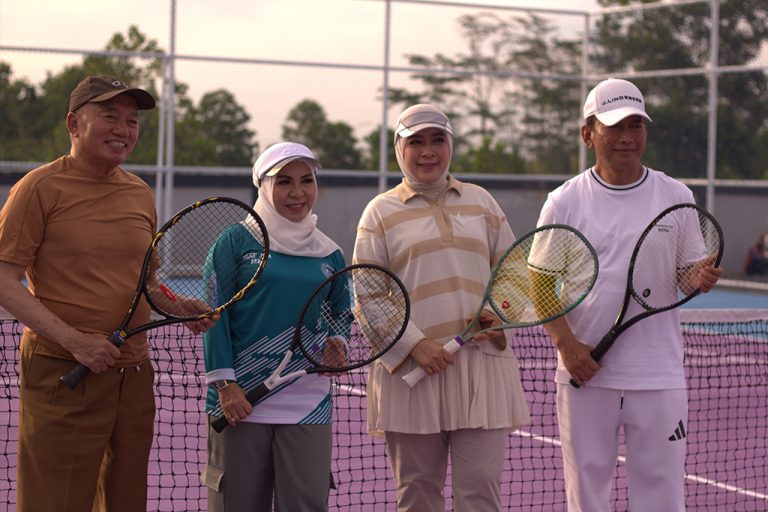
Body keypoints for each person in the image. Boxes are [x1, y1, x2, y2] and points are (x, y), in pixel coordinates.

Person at [0, 75, 213, 511]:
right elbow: (4, 278)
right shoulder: (38, 188)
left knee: (125, 500)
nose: (123, 129)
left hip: (133, 377)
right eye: (109, 116)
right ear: (74, 123)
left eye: (132, 121)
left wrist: (180, 306)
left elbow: (145, 282)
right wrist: (75, 341)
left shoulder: (139, 193)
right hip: (64, 373)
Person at [536, 78, 722, 511]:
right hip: (586, 377)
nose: (626, 137)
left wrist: (699, 278)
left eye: (635, 125)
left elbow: (683, 278)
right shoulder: (563, 202)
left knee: (662, 497)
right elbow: (541, 283)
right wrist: (567, 346)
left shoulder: (676, 196)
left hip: (659, 376)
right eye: (614, 126)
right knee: (587, 497)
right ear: (588, 133)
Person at [352, 104, 530, 511]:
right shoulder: (378, 212)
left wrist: (499, 316)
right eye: (416, 142)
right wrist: (415, 346)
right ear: (400, 148)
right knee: (417, 494)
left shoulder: (482, 202)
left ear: (450, 145)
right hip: (412, 374)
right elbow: (367, 295)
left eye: (437, 140)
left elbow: (514, 272)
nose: (428, 151)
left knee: (481, 492)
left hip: (481, 368)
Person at [201, 142, 346, 511]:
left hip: (307, 401)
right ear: (263, 187)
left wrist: (337, 344)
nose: (298, 193)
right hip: (239, 403)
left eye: (306, 180)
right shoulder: (235, 242)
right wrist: (225, 385)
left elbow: (339, 313)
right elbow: (214, 317)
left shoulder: (330, 253)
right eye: (284, 182)